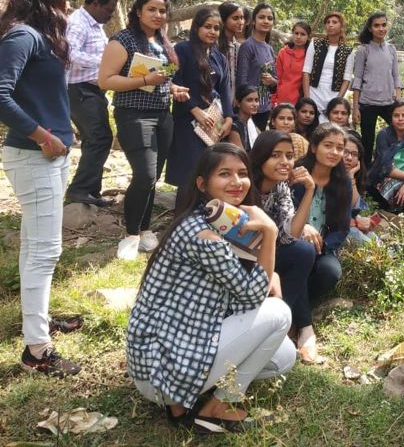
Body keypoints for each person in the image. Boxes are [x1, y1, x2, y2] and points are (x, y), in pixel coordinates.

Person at [127, 143, 294, 434]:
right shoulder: (204, 235)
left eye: (242, 173)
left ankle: (191, 397)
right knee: (279, 313)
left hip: (172, 353)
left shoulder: (219, 222)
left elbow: (244, 298)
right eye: (224, 174)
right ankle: (219, 406)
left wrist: (265, 272)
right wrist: (270, 232)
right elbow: (257, 294)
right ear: (202, 184)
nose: (236, 182)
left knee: (283, 357)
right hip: (160, 371)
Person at [0, 0, 80, 376]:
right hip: (34, 157)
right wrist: (42, 136)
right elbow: (0, 95)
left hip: (48, 156)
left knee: (35, 246)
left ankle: (39, 320)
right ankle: (36, 351)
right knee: (45, 251)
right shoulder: (23, 35)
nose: (70, 0)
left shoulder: (40, 37)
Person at [98, 0, 189, 260]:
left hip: (164, 116)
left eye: (162, 11)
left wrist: (173, 88)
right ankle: (131, 234)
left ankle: (146, 229)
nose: (158, 15)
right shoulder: (122, 41)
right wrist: (145, 81)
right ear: (138, 11)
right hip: (134, 116)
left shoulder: (164, 43)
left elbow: (167, 77)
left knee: (154, 177)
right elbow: (106, 81)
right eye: (151, 9)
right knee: (145, 175)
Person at [249, 131, 319, 364]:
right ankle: (301, 326)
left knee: (304, 251)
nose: (285, 162)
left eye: (289, 156)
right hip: (242, 254)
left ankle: (280, 320)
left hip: (270, 250)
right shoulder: (246, 185)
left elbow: (291, 235)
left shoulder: (281, 187)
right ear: (261, 157)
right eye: (275, 155)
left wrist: (310, 190)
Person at [290, 123, 353, 363]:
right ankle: (305, 327)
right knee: (300, 259)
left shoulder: (343, 182)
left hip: (324, 247)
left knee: (330, 272)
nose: (335, 152)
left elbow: (342, 227)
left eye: (340, 148)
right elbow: (285, 212)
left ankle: (297, 307)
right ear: (314, 147)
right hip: (292, 243)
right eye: (328, 145)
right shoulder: (297, 174)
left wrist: (323, 246)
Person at [165, 8, 234, 203]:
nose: (212, 32)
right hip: (188, 119)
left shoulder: (219, 56)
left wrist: (229, 117)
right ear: (197, 27)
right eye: (207, 27)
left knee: (210, 169)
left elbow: (225, 88)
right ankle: (181, 219)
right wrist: (195, 111)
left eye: (216, 28)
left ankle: (206, 214)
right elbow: (170, 79)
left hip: (213, 122)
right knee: (190, 171)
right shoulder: (181, 49)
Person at [64, 0, 119, 207]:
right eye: (108, 9)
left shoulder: (95, 25)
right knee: (99, 137)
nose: (111, 14)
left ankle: (91, 192)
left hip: (92, 89)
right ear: (95, 4)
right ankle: (79, 189)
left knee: (96, 138)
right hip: (79, 88)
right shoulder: (78, 22)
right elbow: (69, 53)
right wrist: (104, 63)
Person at [351, 12, 403, 165]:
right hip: (367, 103)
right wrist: (355, 107)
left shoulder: (391, 49)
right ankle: (365, 180)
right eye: (377, 25)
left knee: (400, 135)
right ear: (370, 28)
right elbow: (358, 79)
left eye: (384, 25)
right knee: (367, 143)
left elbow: (396, 76)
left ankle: (392, 167)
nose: (381, 28)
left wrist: (398, 102)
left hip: (389, 102)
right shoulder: (363, 50)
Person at [302, 12, 353, 122]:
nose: (330, 25)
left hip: (334, 94)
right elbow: (306, 71)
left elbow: (347, 79)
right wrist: (307, 98)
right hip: (314, 92)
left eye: (334, 22)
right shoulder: (315, 44)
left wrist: (338, 101)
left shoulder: (348, 50)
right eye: (328, 22)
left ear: (341, 26)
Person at [236, 3, 276, 130]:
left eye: (269, 18)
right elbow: (242, 80)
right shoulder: (247, 46)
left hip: (265, 107)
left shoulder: (269, 48)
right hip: (250, 109)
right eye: (261, 17)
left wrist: (272, 81)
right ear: (253, 21)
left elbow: (275, 80)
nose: (266, 21)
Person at [343, 132, 379, 245]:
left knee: (375, 239)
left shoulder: (352, 176)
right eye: (345, 152)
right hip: (334, 232)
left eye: (354, 154)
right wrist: (357, 223)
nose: (349, 158)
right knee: (372, 246)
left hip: (349, 223)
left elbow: (354, 208)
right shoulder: (325, 176)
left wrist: (351, 176)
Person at [275, 21, 311, 105]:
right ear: (292, 34)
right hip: (282, 99)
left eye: (303, 34)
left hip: (301, 101)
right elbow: (278, 77)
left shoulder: (310, 55)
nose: (298, 37)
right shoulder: (283, 52)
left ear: (308, 36)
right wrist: (274, 99)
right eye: (296, 33)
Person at [217, 1, 245, 102]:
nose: (240, 22)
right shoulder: (214, 46)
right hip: (216, 103)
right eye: (235, 18)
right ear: (223, 20)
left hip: (234, 103)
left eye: (242, 18)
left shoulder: (239, 47)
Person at [229, 85, 260, 152]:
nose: (255, 104)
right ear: (238, 103)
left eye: (256, 100)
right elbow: (241, 156)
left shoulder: (251, 123)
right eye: (249, 100)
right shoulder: (234, 127)